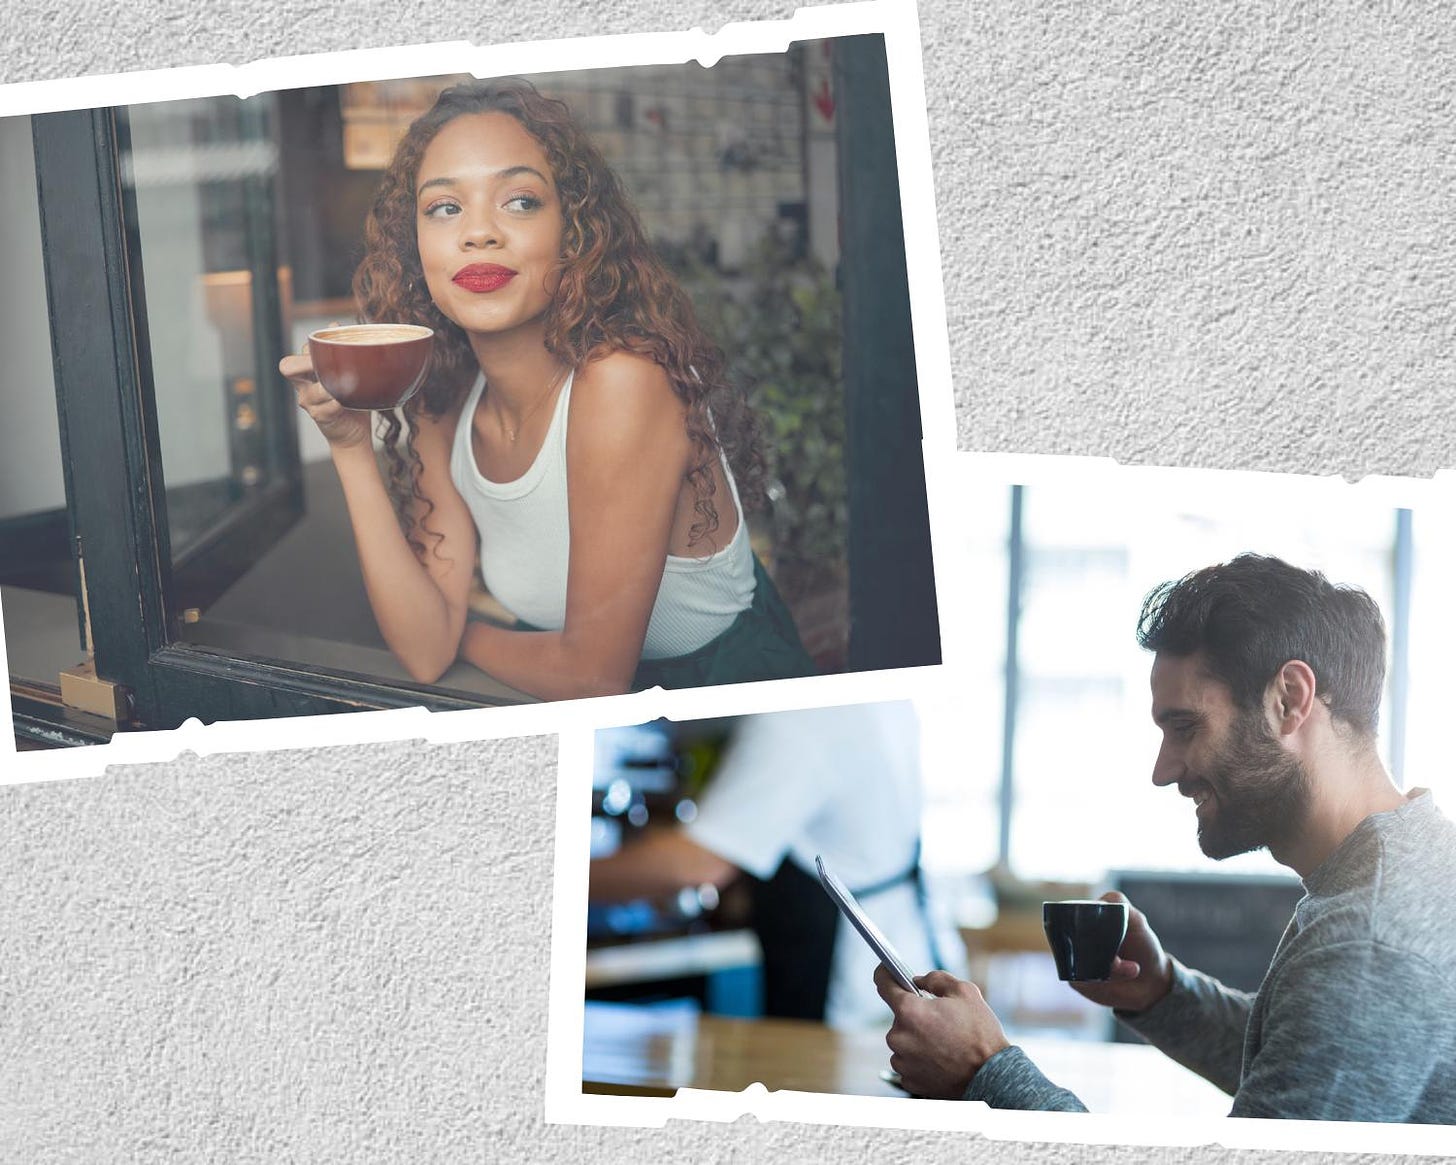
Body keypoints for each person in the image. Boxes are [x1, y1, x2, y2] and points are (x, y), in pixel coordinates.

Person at [279, 80, 814, 700]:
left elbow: (591, 676)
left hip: (720, 704)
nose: (478, 233)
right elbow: (426, 651)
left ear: (575, 232)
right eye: (445, 208)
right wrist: (349, 446)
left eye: (520, 201)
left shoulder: (623, 383)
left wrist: (469, 633)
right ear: (415, 245)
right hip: (541, 690)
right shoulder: (445, 405)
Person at [876, 554, 1456, 1123]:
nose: (1163, 770)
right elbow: (1309, 1066)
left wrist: (984, 1071)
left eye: (1185, 727)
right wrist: (1162, 995)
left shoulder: (1367, 945)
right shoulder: (1410, 868)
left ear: (1289, 701)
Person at [590, 702, 961, 1029]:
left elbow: (696, 864)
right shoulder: (881, 695)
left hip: (853, 992)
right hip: (911, 967)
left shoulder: (806, 710)